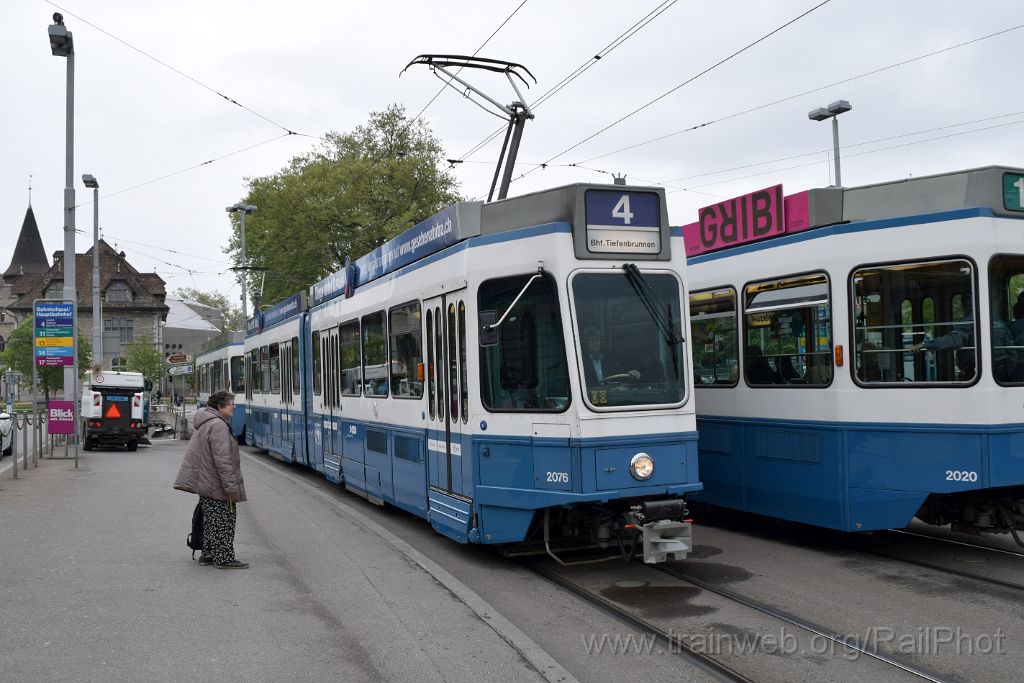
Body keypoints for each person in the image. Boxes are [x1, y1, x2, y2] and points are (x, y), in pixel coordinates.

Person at [173, 390, 248, 569]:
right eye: (231, 404)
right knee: (224, 520)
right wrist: (230, 487)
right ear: (220, 406)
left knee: (210, 519)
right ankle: (224, 558)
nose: (234, 407)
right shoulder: (219, 425)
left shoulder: (208, 422)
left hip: (206, 480)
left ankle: (208, 554)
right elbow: (223, 460)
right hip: (215, 482)